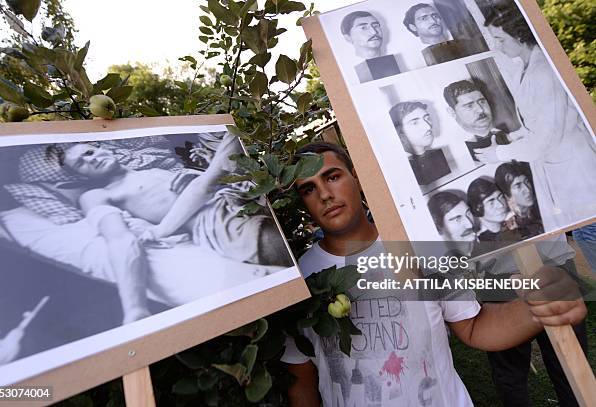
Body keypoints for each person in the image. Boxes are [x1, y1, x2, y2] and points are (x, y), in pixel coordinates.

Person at [282, 142, 586, 407]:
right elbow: (302, 381)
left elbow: (474, 326)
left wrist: (538, 308)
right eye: (308, 189)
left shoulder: (419, 248)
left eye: (332, 177)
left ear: (357, 179)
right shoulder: (299, 281)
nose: (324, 195)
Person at [47, 135, 291, 323]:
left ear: (103, 148)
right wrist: (135, 308)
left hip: (235, 197)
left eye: (90, 151)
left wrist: (197, 171)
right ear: (81, 176)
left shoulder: (151, 169)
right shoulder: (98, 194)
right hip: (216, 221)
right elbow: (119, 240)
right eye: (82, 162)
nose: (91, 158)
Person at [475, 4, 596, 229]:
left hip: (578, 171)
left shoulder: (542, 73)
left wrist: (500, 153)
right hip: (561, 165)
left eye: (500, 39)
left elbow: (544, 139)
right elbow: (541, 119)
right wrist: (514, 137)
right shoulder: (528, 66)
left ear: (519, 34)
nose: (498, 46)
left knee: (589, 232)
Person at [444, 80, 510, 162]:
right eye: (469, 106)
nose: (480, 110)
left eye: (482, 102)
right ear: (452, 112)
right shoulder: (459, 150)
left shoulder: (507, 130)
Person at [390, 101, 451, 186]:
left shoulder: (436, 155)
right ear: (399, 131)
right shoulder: (399, 168)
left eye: (427, 118)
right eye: (415, 123)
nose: (428, 126)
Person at [403, 3, 479, 65]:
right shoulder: (417, 58)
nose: (433, 21)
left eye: (435, 16)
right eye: (424, 18)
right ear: (413, 27)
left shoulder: (465, 40)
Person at [340, 11, 400, 82]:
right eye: (363, 28)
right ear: (348, 38)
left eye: (376, 26)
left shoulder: (399, 60)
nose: (374, 32)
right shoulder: (347, 75)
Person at [495, 161, 543, 239]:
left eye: (527, 182)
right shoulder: (507, 226)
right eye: (518, 186)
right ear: (506, 195)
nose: (527, 189)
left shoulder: (543, 205)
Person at [467, 177, 520, 242]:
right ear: (477, 209)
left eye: (500, 197)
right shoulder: (481, 241)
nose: (501, 205)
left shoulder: (514, 220)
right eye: (491, 202)